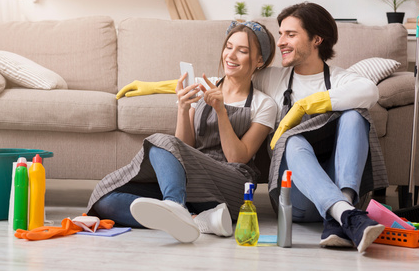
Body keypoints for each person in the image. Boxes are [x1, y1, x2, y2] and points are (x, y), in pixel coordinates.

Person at [86, 21, 277, 243]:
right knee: (105, 200)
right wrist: (183, 108)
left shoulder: (264, 104)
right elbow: (182, 146)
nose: (231, 55)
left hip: (233, 186)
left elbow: (238, 157)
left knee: (159, 140)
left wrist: (221, 112)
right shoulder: (202, 86)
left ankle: (175, 206)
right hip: (191, 179)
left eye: (242, 51)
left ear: (259, 60)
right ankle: (193, 219)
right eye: (228, 47)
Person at [252, 2, 389, 253]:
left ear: (317, 39)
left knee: (354, 115)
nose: (280, 41)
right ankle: (349, 216)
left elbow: (370, 91)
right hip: (295, 199)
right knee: (293, 140)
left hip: (341, 186)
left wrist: (305, 105)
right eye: (280, 33)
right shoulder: (270, 78)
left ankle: (341, 212)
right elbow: (227, 83)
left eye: (290, 34)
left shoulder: (340, 78)